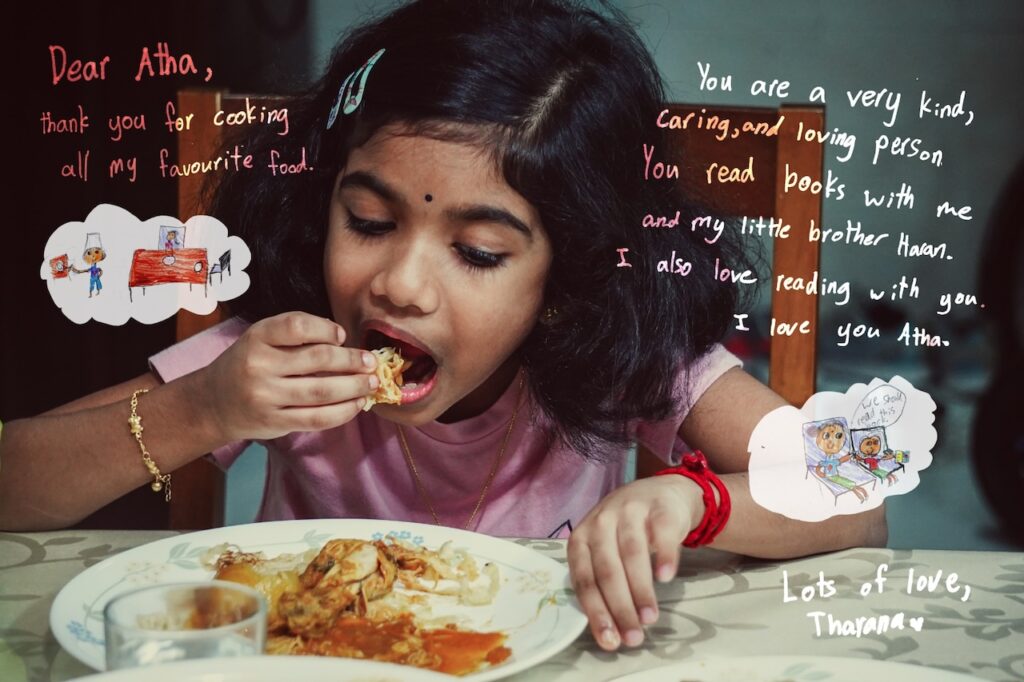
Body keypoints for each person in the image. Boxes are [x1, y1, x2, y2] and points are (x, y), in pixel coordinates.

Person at [0, 0, 885, 652]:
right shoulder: (290, 352)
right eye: (371, 224)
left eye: (479, 252)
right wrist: (202, 410)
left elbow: (858, 495)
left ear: (570, 270)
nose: (400, 286)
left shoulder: (616, 358)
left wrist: (697, 499)